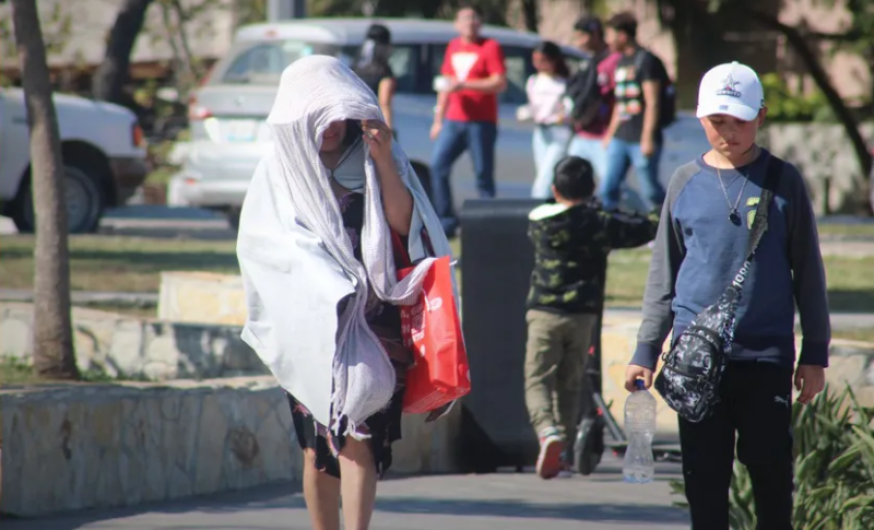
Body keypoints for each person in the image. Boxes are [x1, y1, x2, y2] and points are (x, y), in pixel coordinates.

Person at [236, 55, 457, 530]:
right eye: (321, 116)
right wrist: (322, 286)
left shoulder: (376, 152)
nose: (333, 126)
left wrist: (383, 162)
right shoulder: (281, 168)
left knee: (362, 437)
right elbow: (265, 248)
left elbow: (405, 226)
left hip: (375, 317)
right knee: (320, 446)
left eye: (340, 114)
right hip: (313, 325)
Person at [624, 62, 830, 529]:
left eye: (739, 120)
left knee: (773, 483)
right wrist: (645, 349)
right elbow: (664, 273)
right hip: (695, 362)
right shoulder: (683, 182)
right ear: (700, 118)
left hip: (765, 358)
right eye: (718, 122)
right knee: (705, 486)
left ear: (761, 115)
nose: (729, 132)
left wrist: (815, 351)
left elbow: (809, 272)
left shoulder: (784, 181)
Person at [525, 155, 658, 480]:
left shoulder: (538, 221)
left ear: (555, 188)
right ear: (592, 188)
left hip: (543, 312)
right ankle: (565, 451)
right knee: (570, 382)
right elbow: (642, 229)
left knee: (538, 377)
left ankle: (547, 432)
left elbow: (551, 207)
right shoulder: (599, 222)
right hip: (583, 316)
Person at [430, 2, 507, 238]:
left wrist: (464, 85)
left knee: (483, 174)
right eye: (465, 18)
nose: (470, 23)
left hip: (481, 121)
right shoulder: (453, 46)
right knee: (438, 166)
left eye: (474, 18)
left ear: (480, 23)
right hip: (454, 120)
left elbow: (498, 82)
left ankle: (490, 223)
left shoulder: (490, 46)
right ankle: (446, 221)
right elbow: (445, 83)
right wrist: (438, 118)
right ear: (457, 24)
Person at [601, 12, 670, 211]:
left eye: (610, 35)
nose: (607, 41)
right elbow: (620, 102)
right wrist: (610, 133)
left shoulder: (646, 61)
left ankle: (665, 224)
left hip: (641, 139)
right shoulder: (621, 62)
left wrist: (647, 138)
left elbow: (653, 102)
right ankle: (610, 229)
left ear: (622, 36)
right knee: (608, 188)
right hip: (620, 136)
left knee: (650, 191)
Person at [564, 16, 622, 189]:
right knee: (569, 182)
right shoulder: (589, 60)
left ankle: (646, 215)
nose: (579, 42)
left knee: (612, 189)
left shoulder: (613, 61)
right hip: (582, 134)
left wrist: (610, 135)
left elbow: (619, 101)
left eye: (582, 36)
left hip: (602, 137)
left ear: (595, 34)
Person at [524, 41, 572, 199]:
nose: (539, 65)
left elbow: (569, 108)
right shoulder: (533, 81)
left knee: (544, 179)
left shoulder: (563, 82)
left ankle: (536, 208)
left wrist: (562, 115)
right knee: (546, 176)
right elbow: (534, 106)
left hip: (558, 131)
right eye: (535, 60)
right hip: (540, 131)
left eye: (543, 60)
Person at [353, 23, 397, 130]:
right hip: (372, 128)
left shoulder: (354, 68)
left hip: (351, 124)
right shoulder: (383, 71)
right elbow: (385, 104)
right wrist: (388, 134)